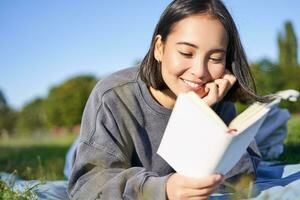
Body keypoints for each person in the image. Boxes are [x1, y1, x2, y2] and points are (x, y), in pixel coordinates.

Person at [68, 0, 270, 199]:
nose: (200, 72)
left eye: (215, 58)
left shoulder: (218, 96)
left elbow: (243, 177)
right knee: (76, 155)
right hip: (103, 145)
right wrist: (164, 189)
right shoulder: (113, 96)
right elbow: (86, 186)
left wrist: (201, 118)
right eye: (186, 53)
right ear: (159, 48)